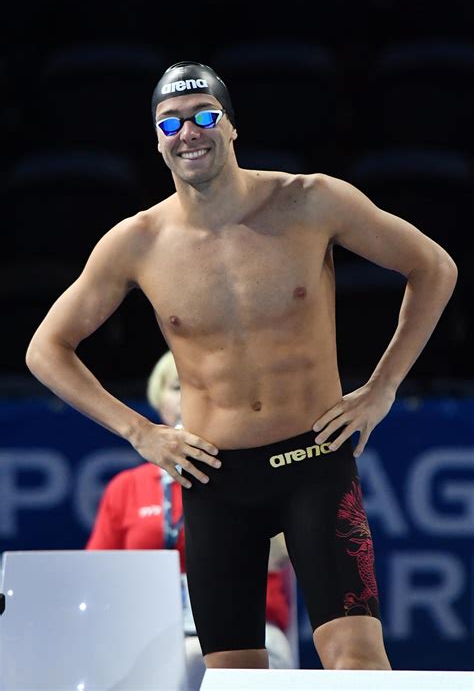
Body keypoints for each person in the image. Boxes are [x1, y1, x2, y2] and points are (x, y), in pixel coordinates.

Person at [26, 60, 457, 672]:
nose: (188, 132)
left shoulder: (309, 201)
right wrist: (141, 432)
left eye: (203, 116)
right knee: (234, 677)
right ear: (157, 140)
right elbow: (45, 349)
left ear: (230, 125)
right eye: (170, 122)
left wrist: (382, 388)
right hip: (215, 478)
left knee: (357, 660)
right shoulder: (138, 242)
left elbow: (433, 267)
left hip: (314, 461)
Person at [86, 350, 295, 688]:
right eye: (177, 386)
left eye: (206, 385)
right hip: (149, 632)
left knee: (198, 659)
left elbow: (293, 551)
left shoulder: (259, 472)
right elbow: (98, 574)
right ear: (159, 402)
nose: (191, 396)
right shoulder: (126, 488)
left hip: (252, 629)